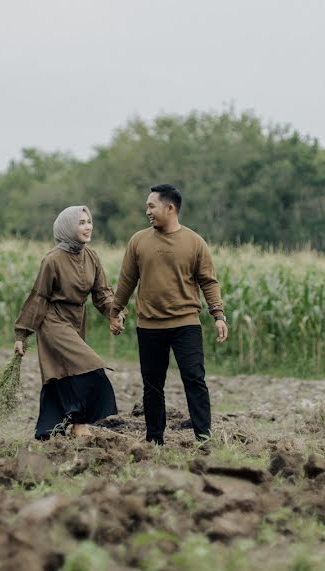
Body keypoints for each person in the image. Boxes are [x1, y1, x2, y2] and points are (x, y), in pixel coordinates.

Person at [109, 184, 228, 444]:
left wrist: (218, 315)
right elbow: (126, 281)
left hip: (186, 324)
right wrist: (115, 311)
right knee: (152, 386)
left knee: (194, 379)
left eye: (152, 206)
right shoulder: (138, 241)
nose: (148, 211)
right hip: (149, 326)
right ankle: (154, 439)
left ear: (170, 207)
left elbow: (209, 281)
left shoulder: (195, 242)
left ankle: (204, 438)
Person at [14, 205, 119, 439]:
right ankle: (80, 423)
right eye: (81, 222)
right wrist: (22, 334)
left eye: (89, 221)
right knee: (91, 368)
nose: (87, 226)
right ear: (68, 227)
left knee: (61, 376)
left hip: (76, 321)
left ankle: (48, 431)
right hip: (53, 322)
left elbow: (102, 292)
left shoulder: (91, 256)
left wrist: (114, 313)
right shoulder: (52, 260)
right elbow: (38, 297)